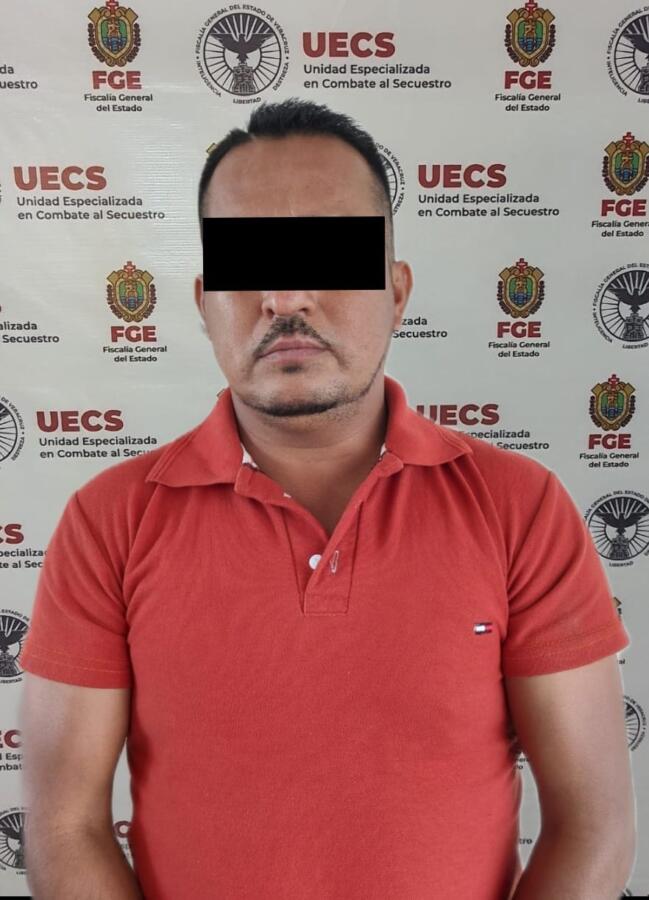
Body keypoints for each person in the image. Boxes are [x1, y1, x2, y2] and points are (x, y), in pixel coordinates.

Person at [19, 98, 635, 900]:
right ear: (205, 301)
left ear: (397, 290)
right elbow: (63, 830)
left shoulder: (520, 509)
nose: (286, 297)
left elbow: (592, 824)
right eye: (249, 263)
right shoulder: (109, 522)